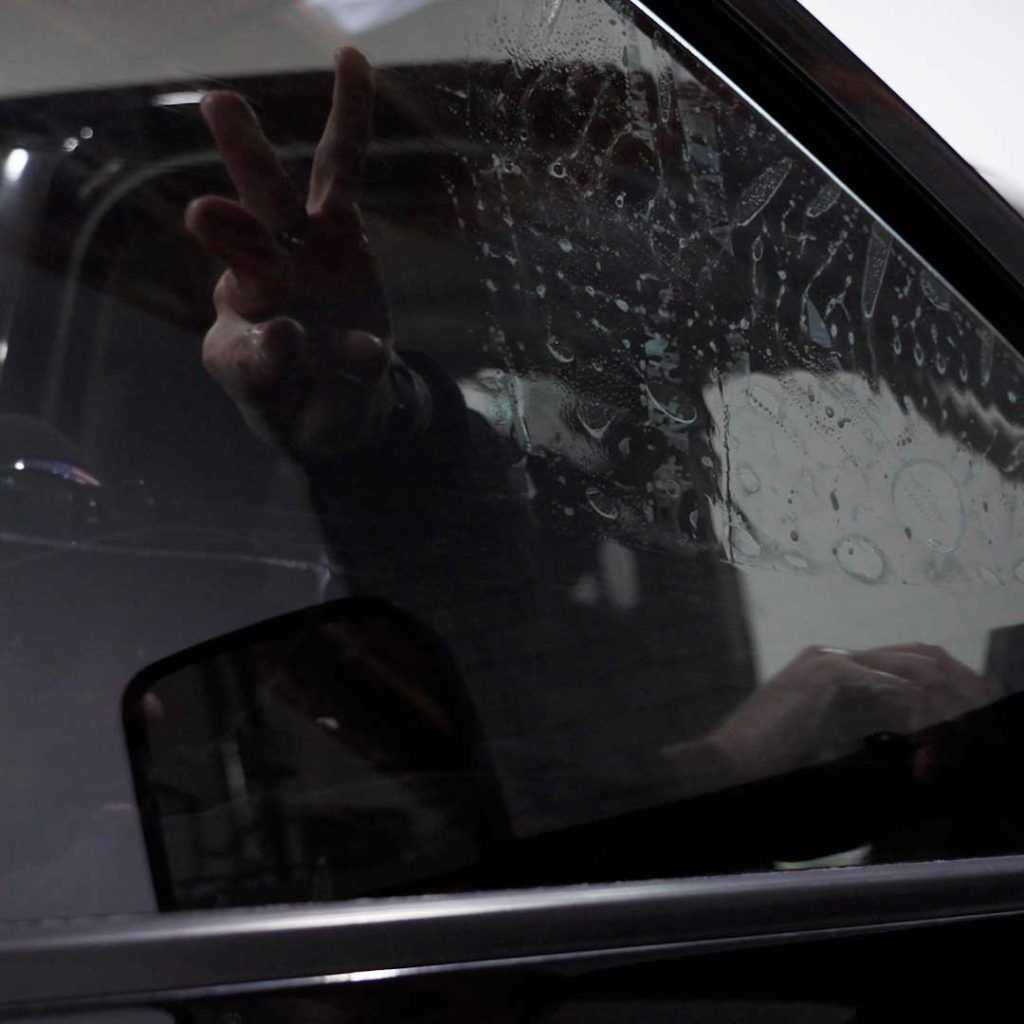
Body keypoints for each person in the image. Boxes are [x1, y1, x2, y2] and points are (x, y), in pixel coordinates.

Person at [183, 47, 995, 859]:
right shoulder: (250, 738)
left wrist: (383, 422)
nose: (628, 471)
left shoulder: (547, 598)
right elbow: (462, 831)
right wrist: (729, 762)